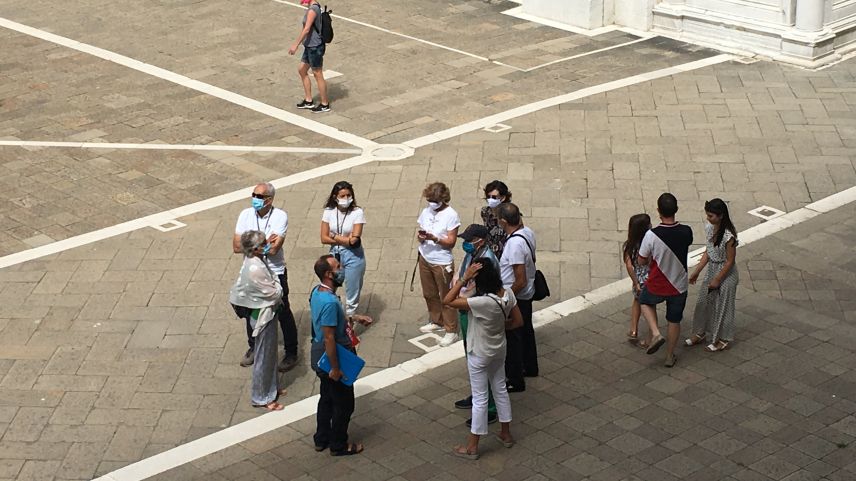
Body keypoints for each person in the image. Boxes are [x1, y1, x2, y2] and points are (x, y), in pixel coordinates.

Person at [443, 259, 521, 460]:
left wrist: (464, 278)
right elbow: (518, 321)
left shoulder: (482, 302)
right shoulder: (508, 294)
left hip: (479, 352)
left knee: (480, 398)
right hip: (499, 349)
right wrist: (499, 328)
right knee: (500, 389)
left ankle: (472, 447)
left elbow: (448, 300)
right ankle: (506, 434)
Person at [310, 255, 373, 455]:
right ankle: (338, 444)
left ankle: (321, 438)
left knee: (326, 398)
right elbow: (329, 337)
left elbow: (328, 320)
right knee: (344, 404)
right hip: (332, 357)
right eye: (338, 267)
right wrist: (336, 369)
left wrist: (353, 318)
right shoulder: (330, 302)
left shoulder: (317, 292)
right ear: (329, 274)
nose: (342, 269)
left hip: (320, 354)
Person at [232, 183, 299, 372]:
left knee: (283, 310)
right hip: (252, 270)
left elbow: (275, 249)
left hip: (274, 271)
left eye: (259, 196)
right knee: (250, 308)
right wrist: (264, 245)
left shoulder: (280, 216)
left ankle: (291, 351)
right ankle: (253, 346)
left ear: (269, 199)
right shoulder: (245, 215)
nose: (255, 198)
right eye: (254, 194)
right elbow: (236, 246)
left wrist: (252, 246)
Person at [229, 231, 285, 411]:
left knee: (270, 354)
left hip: (265, 311)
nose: (266, 246)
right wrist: (277, 283)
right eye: (263, 244)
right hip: (262, 315)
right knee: (264, 356)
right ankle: (262, 397)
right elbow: (276, 293)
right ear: (254, 249)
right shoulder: (255, 268)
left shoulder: (255, 259)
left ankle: (272, 388)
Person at [637, 193, 694, 368]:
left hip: (657, 283)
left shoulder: (651, 235)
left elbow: (641, 260)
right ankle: (670, 356)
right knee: (674, 320)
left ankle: (655, 333)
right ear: (676, 210)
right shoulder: (686, 231)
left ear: (658, 211)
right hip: (679, 284)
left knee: (644, 301)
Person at [452, 225, 500, 424]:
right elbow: (461, 275)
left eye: (469, 240)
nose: (465, 244)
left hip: (477, 311)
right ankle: (478, 393)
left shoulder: (485, 261)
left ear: (480, 241)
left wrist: (460, 293)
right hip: (468, 309)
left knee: (480, 360)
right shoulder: (473, 255)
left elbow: (473, 288)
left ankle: (490, 407)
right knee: (471, 356)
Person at [685, 199, 739, 352]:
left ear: (720, 216)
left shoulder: (729, 236)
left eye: (711, 216)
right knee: (703, 302)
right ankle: (700, 332)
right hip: (712, 269)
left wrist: (717, 279)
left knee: (723, 307)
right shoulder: (710, 228)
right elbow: (708, 251)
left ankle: (723, 338)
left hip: (726, 273)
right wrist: (697, 271)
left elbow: (730, 261)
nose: (708, 218)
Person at [496, 203, 538, 392]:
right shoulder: (527, 232)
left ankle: (515, 379)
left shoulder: (514, 244)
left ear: (503, 221)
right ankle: (530, 367)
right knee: (526, 331)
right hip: (527, 293)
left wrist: (507, 299)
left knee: (513, 338)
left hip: (517, 297)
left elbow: (519, 279)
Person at [416, 182, 461, 347]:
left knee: (447, 297)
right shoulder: (426, 211)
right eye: (429, 200)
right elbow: (420, 232)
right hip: (425, 257)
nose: (432, 203)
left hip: (441, 262)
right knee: (429, 293)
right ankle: (437, 320)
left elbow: (451, 242)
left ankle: (451, 330)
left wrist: (435, 238)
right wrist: (421, 238)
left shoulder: (451, 215)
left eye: (435, 200)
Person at [320, 181, 366, 317]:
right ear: (335, 197)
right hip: (335, 254)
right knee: (330, 285)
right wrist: (344, 239)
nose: (346, 198)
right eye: (342, 196)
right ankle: (335, 313)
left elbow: (354, 241)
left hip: (353, 256)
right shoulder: (328, 211)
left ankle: (350, 318)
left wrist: (334, 236)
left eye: (348, 195)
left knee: (352, 289)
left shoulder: (357, 212)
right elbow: (323, 238)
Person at [287, 0, 330, 113]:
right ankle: (308, 100)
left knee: (317, 74)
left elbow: (306, 29)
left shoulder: (312, 10)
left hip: (314, 47)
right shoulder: (314, 6)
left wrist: (295, 45)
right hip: (309, 45)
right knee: (302, 70)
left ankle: (325, 103)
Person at [623, 214, 652, 347]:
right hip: (650, 278)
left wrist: (635, 282)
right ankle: (652, 335)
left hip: (638, 279)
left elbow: (629, 266)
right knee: (649, 307)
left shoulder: (629, 246)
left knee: (636, 301)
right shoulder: (649, 243)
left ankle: (633, 330)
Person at [481, 180, 512, 257]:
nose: (490, 199)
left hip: (506, 254)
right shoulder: (485, 212)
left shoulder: (510, 213)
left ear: (503, 198)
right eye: (488, 197)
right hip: (490, 253)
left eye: (494, 197)